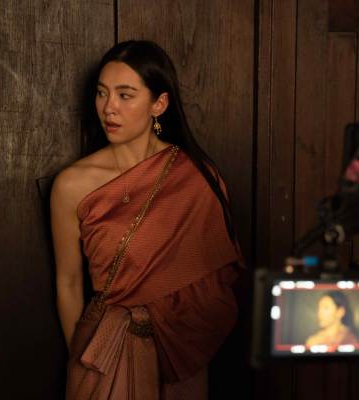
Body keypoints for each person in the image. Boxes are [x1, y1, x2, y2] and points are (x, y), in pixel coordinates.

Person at [50, 40, 242, 399]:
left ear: (159, 104)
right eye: (102, 93)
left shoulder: (197, 176)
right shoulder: (72, 184)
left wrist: (184, 333)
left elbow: (216, 280)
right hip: (105, 351)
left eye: (125, 95)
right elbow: (69, 282)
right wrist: (84, 357)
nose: (109, 107)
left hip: (180, 351)